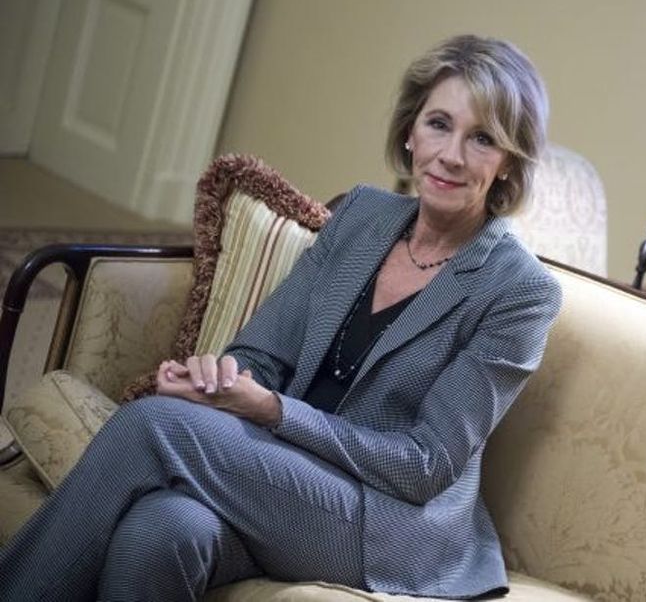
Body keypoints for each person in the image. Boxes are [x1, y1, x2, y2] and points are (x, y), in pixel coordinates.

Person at [0, 35, 562, 601]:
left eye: (482, 139)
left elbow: (424, 465)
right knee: (163, 531)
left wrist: (272, 410)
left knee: (153, 424)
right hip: (279, 476)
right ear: (410, 132)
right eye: (439, 124)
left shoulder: (519, 291)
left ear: (508, 163)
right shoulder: (362, 215)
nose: (452, 155)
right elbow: (261, 354)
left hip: (384, 520)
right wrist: (221, 382)